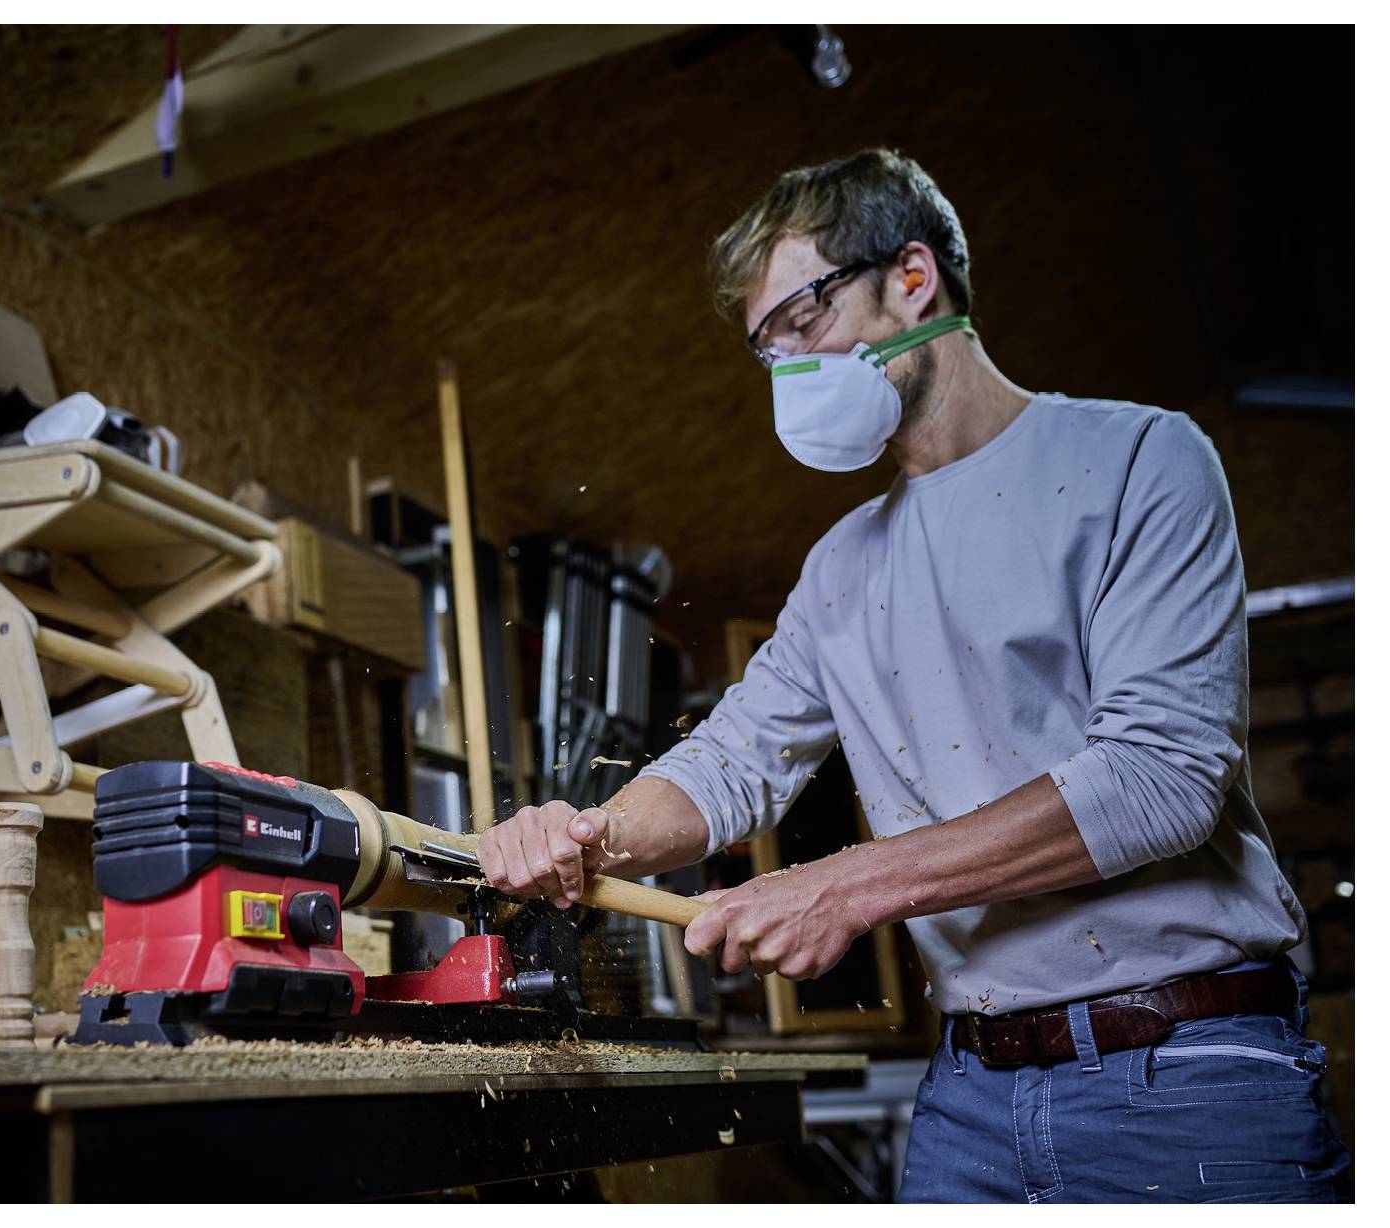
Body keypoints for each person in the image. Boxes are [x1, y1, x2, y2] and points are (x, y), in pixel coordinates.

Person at [476, 149, 1351, 1203]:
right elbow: (729, 762)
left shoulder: (1137, 461)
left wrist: (844, 884)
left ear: (911, 277)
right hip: (970, 1092)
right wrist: (579, 838)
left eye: (802, 322)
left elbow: (1157, 777)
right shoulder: (843, 564)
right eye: (765, 353)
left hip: (1181, 1072)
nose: (788, 371)